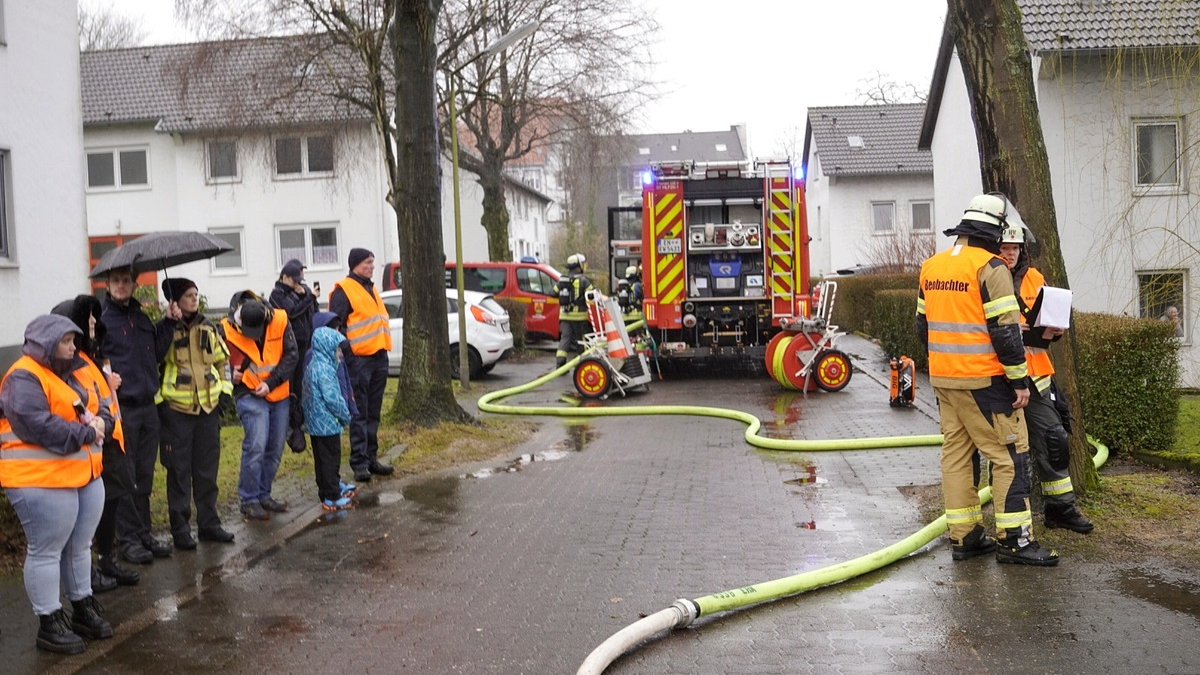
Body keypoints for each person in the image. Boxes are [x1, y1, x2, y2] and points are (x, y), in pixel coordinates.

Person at [916, 192, 1058, 566]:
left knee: (957, 457)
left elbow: (921, 327)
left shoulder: (931, 267)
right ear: (992, 234)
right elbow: (1006, 333)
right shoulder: (991, 269)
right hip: (986, 383)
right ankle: (1015, 541)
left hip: (945, 381)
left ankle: (965, 538)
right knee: (1010, 457)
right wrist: (1019, 381)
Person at [0, 315, 113, 654]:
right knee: (46, 551)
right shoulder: (23, 376)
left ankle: (81, 605)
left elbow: (101, 405)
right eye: (66, 341)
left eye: (73, 340)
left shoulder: (69, 372)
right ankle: (49, 621)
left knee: (80, 546)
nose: (73, 347)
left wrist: (101, 421)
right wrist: (87, 432)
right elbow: (37, 424)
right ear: (46, 343)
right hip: (40, 480)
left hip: (81, 475)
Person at [999, 226, 1095, 534]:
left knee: (1054, 438)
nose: (1009, 252)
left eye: (1015, 247)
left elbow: (1046, 320)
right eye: (1004, 246)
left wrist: (1054, 330)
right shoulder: (986, 277)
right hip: (1000, 377)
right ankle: (1012, 520)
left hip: (1036, 375)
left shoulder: (1035, 278)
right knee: (1008, 450)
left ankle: (1061, 509)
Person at [51, 295, 140, 592]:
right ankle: (87, 571)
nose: (93, 321)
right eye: (87, 316)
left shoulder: (91, 355)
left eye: (93, 316)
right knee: (90, 513)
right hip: (92, 442)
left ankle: (106, 559)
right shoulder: (69, 362)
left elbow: (99, 396)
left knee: (110, 503)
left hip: (110, 439)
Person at [99, 266, 174, 565]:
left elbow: (155, 352)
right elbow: (92, 360)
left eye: (125, 281)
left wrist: (167, 323)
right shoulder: (104, 322)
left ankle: (143, 533)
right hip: (122, 409)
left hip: (147, 407)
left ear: (133, 284)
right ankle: (128, 540)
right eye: (115, 281)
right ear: (107, 284)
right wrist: (105, 380)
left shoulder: (141, 318)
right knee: (126, 476)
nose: (120, 285)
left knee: (144, 475)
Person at [157, 278, 235, 548]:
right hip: (176, 412)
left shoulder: (207, 326)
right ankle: (180, 531)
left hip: (207, 410)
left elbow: (223, 360)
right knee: (178, 473)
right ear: (175, 301)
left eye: (195, 294)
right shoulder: (164, 329)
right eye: (188, 295)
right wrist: (160, 406)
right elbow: (153, 364)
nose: (194, 299)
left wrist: (224, 393)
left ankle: (209, 524)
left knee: (206, 472)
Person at [222, 291, 298, 520]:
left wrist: (271, 383)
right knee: (256, 444)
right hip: (248, 393)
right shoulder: (225, 328)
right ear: (239, 320)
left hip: (277, 392)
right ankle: (249, 499)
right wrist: (229, 373)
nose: (254, 336)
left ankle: (264, 494)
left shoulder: (280, 320)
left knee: (274, 447)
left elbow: (291, 355)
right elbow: (217, 361)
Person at [328, 248, 394, 483]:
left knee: (373, 412)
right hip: (359, 361)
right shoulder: (343, 290)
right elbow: (335, 327)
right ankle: (359, 462)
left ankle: (371, 457)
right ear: (356, 264)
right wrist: (350, 356)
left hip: (378, 357)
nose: (372, 266)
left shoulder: (371, 287)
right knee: (360, 413)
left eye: (373, 262)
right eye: (368, 262)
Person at [303, 325, 357, 511]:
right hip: (327, 424)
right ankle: (332, 495)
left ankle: (325, 491)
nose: (340, 354)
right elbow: (333, 398)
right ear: (328, 348)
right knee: (331, 459)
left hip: (315, 424)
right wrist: (346, 416)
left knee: (321, 460)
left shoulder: (313, 366)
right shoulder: (326, 370)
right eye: (337, 349)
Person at [269, 259, 318, 453]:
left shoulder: (299, 292)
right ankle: (292, 424)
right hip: (290, 345)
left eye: (301, 280)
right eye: (295, 280)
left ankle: (299, 419)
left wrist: (307, 295)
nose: (299, 283)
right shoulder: (277, 295)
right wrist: (308, 298)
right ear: (284, 277)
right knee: (291, 384)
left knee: (302, 383)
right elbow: (291, 313)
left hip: (305, 342)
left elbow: (310, 312)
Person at [555, 253, 593, 368]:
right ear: (579, 266)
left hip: (564, 316)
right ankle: (583, 364)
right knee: (582, 340)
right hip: (579, 317)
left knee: (565, 339)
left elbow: (553, 292)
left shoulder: (562, 280)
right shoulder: (584, 280)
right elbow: (592, 295)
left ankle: (560, 365)